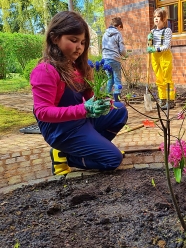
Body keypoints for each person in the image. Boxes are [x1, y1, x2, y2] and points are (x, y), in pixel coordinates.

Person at [30, 11, 128, 176]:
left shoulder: (77, 67)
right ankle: (66, 155)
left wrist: (100, 103)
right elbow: (42, 112)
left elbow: (89, 99)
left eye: (83, 42)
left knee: (119, 111)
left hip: (80, 121)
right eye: (73, 40)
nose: (79, 47)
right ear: (55, 38)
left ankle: (94, 148)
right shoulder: (45, 71)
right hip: (62, 130)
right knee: (112, 160)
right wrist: (85, 109)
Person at [147, 8, 175, 110]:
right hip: (155, 57)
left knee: (167, 78)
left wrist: (155, 49)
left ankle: (170, 100)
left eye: (158, 17)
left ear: (164, 19)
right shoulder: (152, 31)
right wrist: (149, 43)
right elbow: (150, 44)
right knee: (159, 78)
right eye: (154, 17)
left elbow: (166, 46)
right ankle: (162, 99)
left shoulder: (167, 31)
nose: (156, 19)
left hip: (164, 55)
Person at [102, 16, 128, 102]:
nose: (121, 30)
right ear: (119, 26)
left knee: (110, 78)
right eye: (121, 28)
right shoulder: (117, 33)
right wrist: (125, 55)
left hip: (105, 59)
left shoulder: (105, 34)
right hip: (114, 59)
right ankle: (117, 100)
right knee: (117, 79)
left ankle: (106, 99)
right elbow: (122, 49)